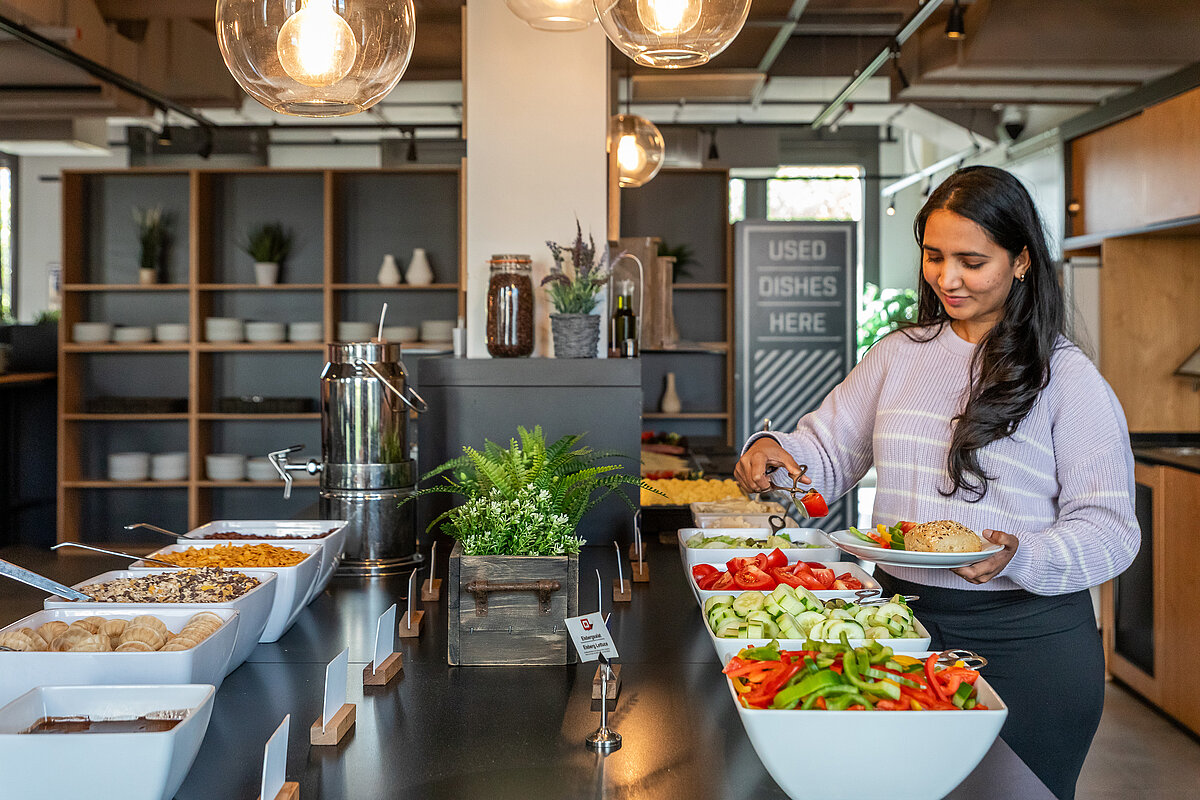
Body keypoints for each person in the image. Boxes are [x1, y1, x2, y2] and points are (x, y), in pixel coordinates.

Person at [734, 165, 1139, 800]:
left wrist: (1021, 555)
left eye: (971, 261)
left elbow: (1113, 531)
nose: (947, 279)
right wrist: (776, 449)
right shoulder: (900, 353)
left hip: (1028, 645)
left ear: (1022, 260)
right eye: (934, 256)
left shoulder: (1070, 379)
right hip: (899, 625)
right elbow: (829, 450)